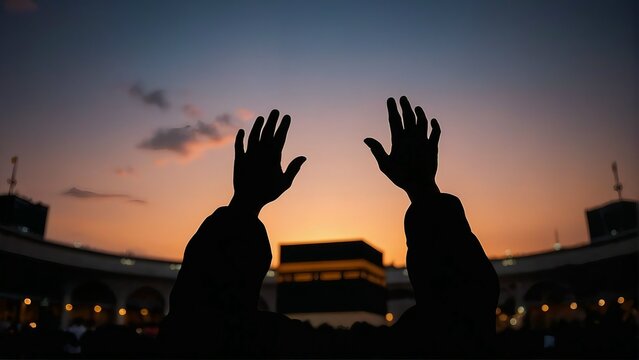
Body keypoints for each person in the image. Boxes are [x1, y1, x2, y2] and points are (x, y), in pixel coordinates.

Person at [158, 96, 499, 357]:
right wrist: (423, 189)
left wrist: (245, 204)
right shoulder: (417, 348)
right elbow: (464, 315)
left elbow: (197, 322)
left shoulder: (252, 345)